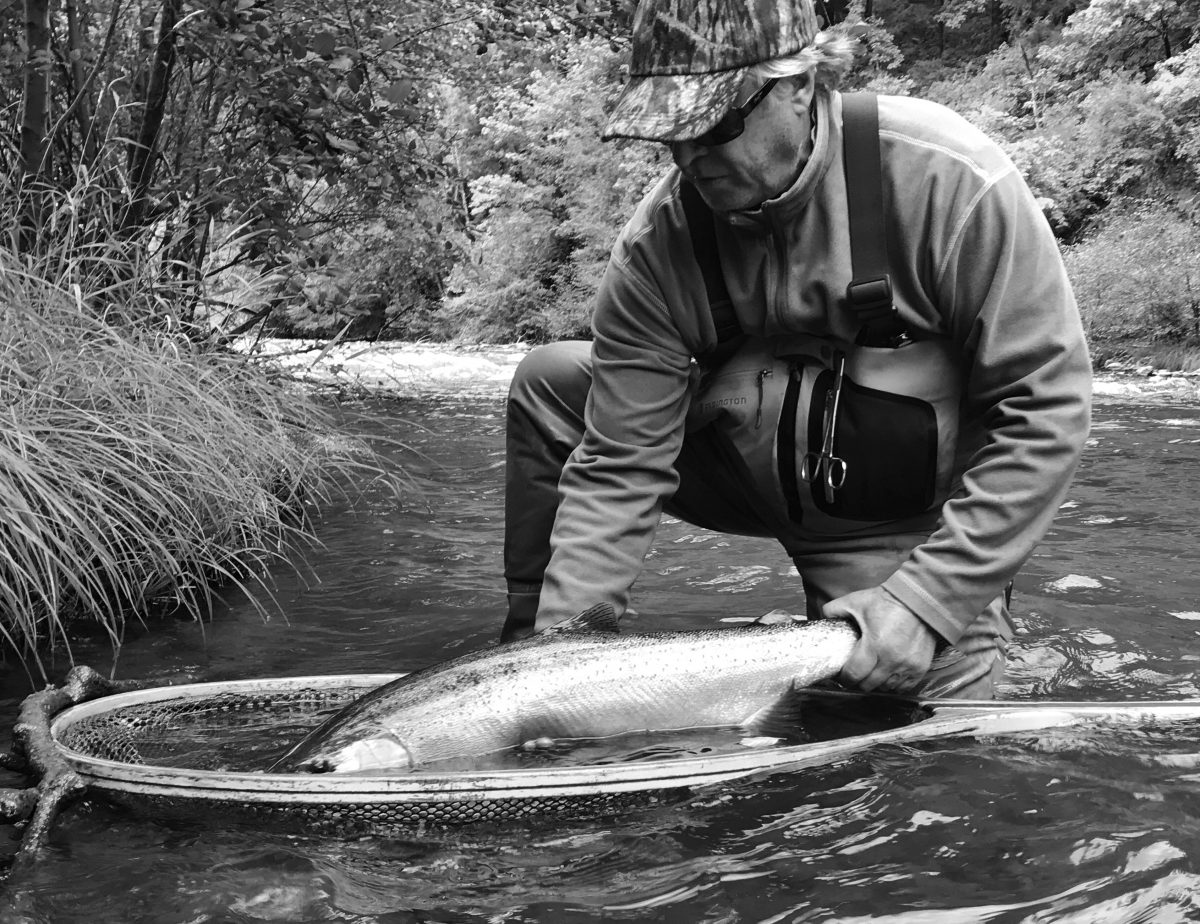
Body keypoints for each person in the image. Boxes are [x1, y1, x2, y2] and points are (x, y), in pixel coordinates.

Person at [500, 0, 1092, 699]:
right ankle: (527, 652)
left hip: (896, 513)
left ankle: (915, 605)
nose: (690, 157)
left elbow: (1045, 406)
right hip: (743, 467)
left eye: (713, 125)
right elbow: (619, 468)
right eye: (669, 135)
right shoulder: (657, 245)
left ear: (801, 86)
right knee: (553, 383)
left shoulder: (946, 180)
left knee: (918, 746)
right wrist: (549, 684)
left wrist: (928, 601)